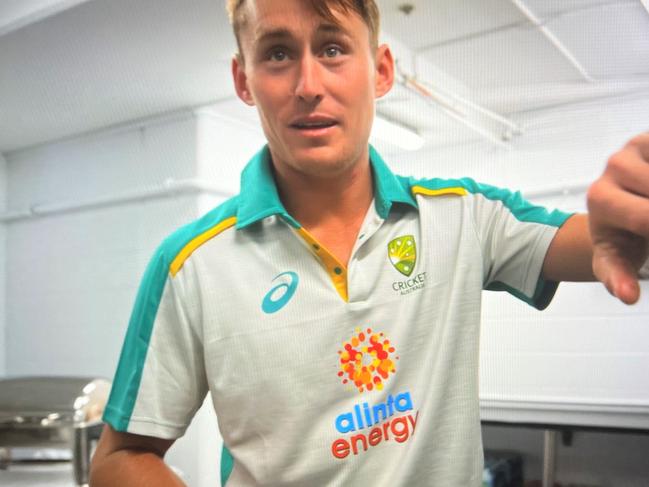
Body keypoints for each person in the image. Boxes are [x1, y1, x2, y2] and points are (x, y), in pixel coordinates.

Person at [89, 0, 649, 485]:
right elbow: (120, 457)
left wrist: (627, 223)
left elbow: (598, 242)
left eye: (332, 48)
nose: (309, 86)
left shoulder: (463, 215)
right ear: (244, 80)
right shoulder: (190, 266)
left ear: (380, 70)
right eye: (278, 53)